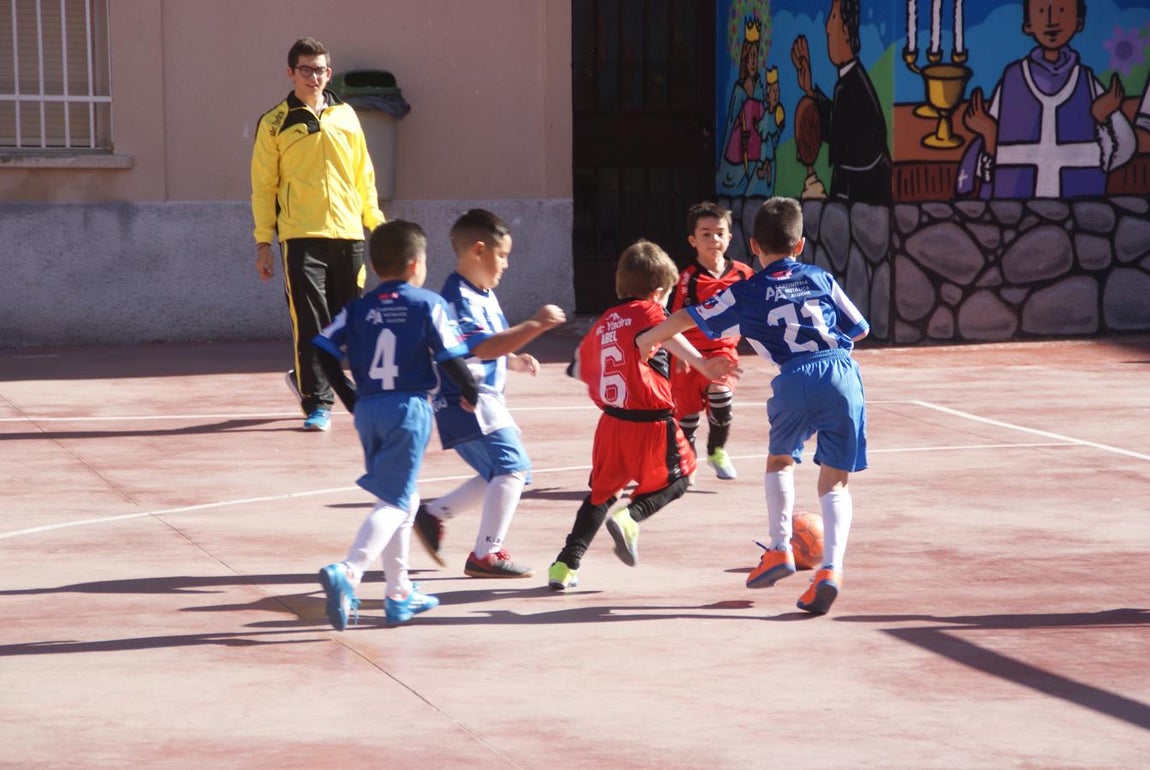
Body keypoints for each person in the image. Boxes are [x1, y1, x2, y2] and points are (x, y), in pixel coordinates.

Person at [636, 197, 869, 615]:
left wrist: (648, 338)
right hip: (842, 374)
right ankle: (830, 570)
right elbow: (860, 328)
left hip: (796, 376)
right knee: (835, 482)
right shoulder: (821, 277)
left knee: (781, 461)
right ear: (800, 246)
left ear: (753, 245)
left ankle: (779, 548)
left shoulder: (746, 291)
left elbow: (689, 317)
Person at [312, 220, 480, 630]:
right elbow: (451, 356)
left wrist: (347, 394)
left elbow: (322, 349)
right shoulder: (427, 303)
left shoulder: (357, 308)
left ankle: (399, 592)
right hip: (408, 408)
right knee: (395, 501)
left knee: (403, 495)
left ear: (374, 265)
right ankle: (349, 571)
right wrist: (470, 391)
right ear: (415, 263)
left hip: (369, 409)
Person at [548, 240, 738, 591]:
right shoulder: (650, 311)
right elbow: (665, 331)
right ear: (660, 291)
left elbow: (582, 365)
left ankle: (564, 564)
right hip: (650, 422)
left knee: (599, 497)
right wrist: (701, 362)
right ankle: (631, 519)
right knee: (683, 477)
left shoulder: (605, 321)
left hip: (610, 424)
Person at [413, 209, 567, 578]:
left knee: (498, 471)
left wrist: (512, 360)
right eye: (502, 255)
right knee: (513, 469)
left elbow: (482, 345)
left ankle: (434, 515)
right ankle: (487, 553)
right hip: (467, 398)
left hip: (479, 398)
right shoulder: (458, 298)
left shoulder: (482, 293)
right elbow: (480, 349)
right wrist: (535, 325)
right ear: (478, 251)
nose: (506, 264)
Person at [251, 36, 386, 432]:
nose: (315, 77)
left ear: (330, 72)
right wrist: (264, 240)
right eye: (306, 69)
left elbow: (365, 174)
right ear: (291, 72)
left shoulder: (346, 116)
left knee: (350, 321)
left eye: (321, 69)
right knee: (311, 322)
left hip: (349, 234)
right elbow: (263, 186)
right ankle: (318, 402)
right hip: (300, 236)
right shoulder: (275, 122)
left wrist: (375, 224)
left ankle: (326, 384)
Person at [959, 0, 1136, 198]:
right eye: (1042, 11)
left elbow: (1125, 149)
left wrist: (1101, 118)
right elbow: (987, 170)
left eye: (1061, 10)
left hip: (1079, 213)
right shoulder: (1012, 80)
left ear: (1078, 23)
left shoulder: (1086, 81)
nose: (1051, 20)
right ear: (1028, 25)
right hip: (1015, 213)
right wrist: (988, 132)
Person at [668, 202, 755, 481]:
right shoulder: (686, 279)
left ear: (729, 237)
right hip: (689, 354)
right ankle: (687, 459)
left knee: (721, 394)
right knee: (687, 418)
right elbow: (673, 320)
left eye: (720, 233)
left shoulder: (743, 274)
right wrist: (681, 354)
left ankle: (717, 450)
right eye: (705, 234)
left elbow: (757, 309)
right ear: (693, 240)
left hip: (722, 352)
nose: (713, 240)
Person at [791, 0, 891, 204]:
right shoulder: (850, 83)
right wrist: (809, 90)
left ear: (845, 30)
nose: (828, 27)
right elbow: (841, 122)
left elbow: (845, 134)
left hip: (862, 200)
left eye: (833, 17)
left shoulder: (853, 87)